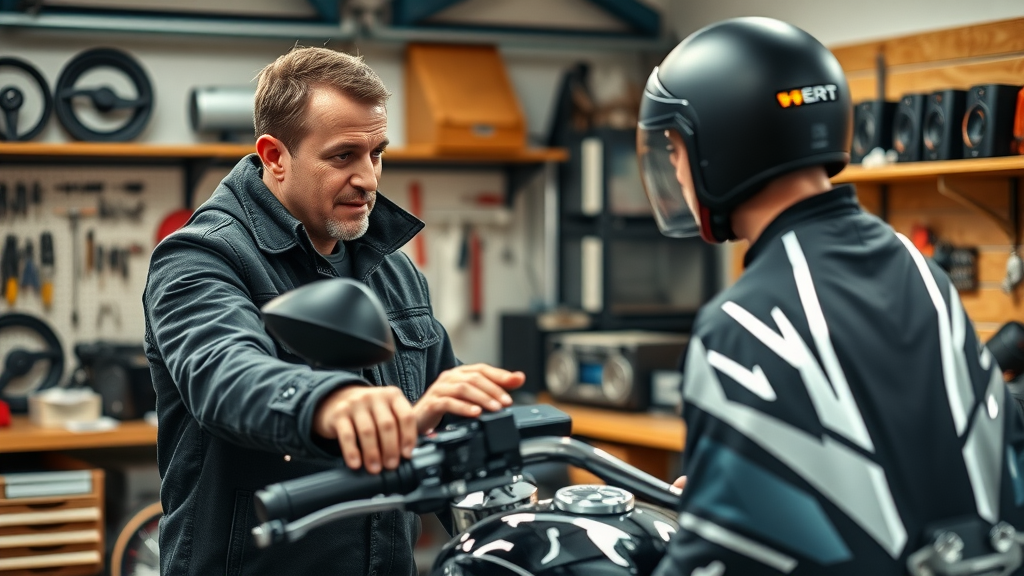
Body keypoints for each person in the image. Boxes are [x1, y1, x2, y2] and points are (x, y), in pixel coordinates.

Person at [637, 17, 1024, 576]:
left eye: (674, 148)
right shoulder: (919, 271)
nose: (673, 169)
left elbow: (709, 563)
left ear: (720, 143)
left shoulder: (739, 324)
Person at [143, 46, 524, 576]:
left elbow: (439, 420)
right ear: (275, 156)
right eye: (343, 156)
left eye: (377, 154)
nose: (369, 179)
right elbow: (224, 373)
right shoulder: (200, 257)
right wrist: (335, 402)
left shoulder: (392, 270)